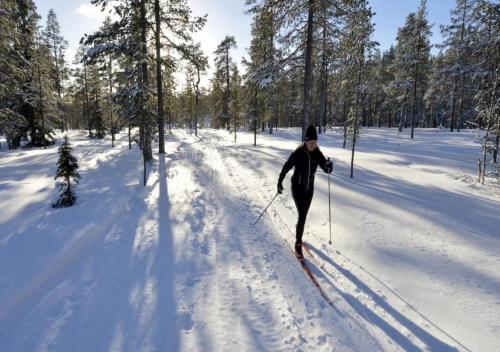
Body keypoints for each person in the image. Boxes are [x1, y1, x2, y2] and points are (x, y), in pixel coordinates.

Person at [277, 125, 332, 259]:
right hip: (297, 188)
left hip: (309, 189)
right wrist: (279, 182)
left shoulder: (317, 153)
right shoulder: (298, 153)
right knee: (302, 215)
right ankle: (297, 244)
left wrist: (329, 166)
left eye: (315, 142)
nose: (313, 145)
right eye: (310, 142)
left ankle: (299, 230)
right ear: (305, 141)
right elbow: (287, 166)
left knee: (303, 216)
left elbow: (326, 168)